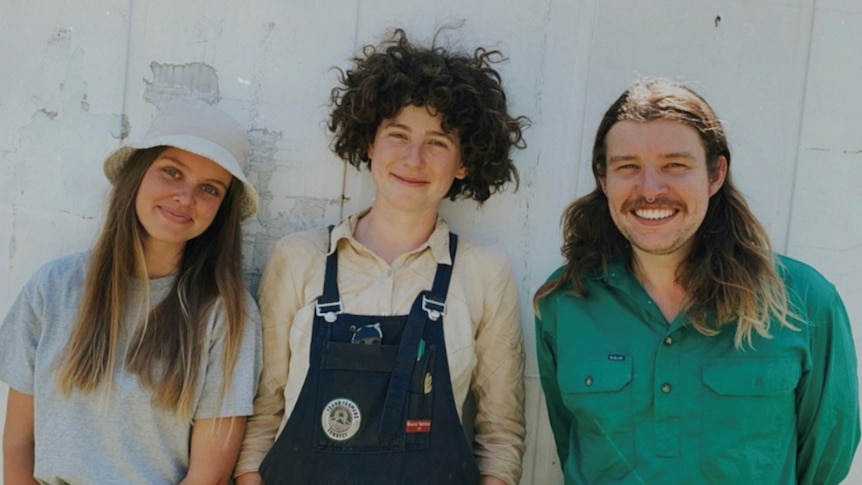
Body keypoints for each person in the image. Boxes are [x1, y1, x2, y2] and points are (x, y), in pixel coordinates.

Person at [235, 29, 528, 485]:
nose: (414, 159)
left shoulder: (484, 271)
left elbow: (500, 436)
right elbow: (262, 408)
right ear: (369, 143)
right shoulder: (299, 258)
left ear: (464, 162)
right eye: (398, 134)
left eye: (438, 142)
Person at [534, 76, 860, 484]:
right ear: (603, 178)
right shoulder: (566, 301)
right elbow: (571, 443)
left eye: (675, 165)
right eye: (628, 167)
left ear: (715, 173)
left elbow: (825, 460)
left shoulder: (805, 301)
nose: (650, 189)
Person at [0, 99, 263, 484]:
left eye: (209, 188)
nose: (185, 198)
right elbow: (19, 443)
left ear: (222, 209)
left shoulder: (227, 313)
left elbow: (208, 474)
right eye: (172, 172)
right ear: (137, 174)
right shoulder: (53, 288)